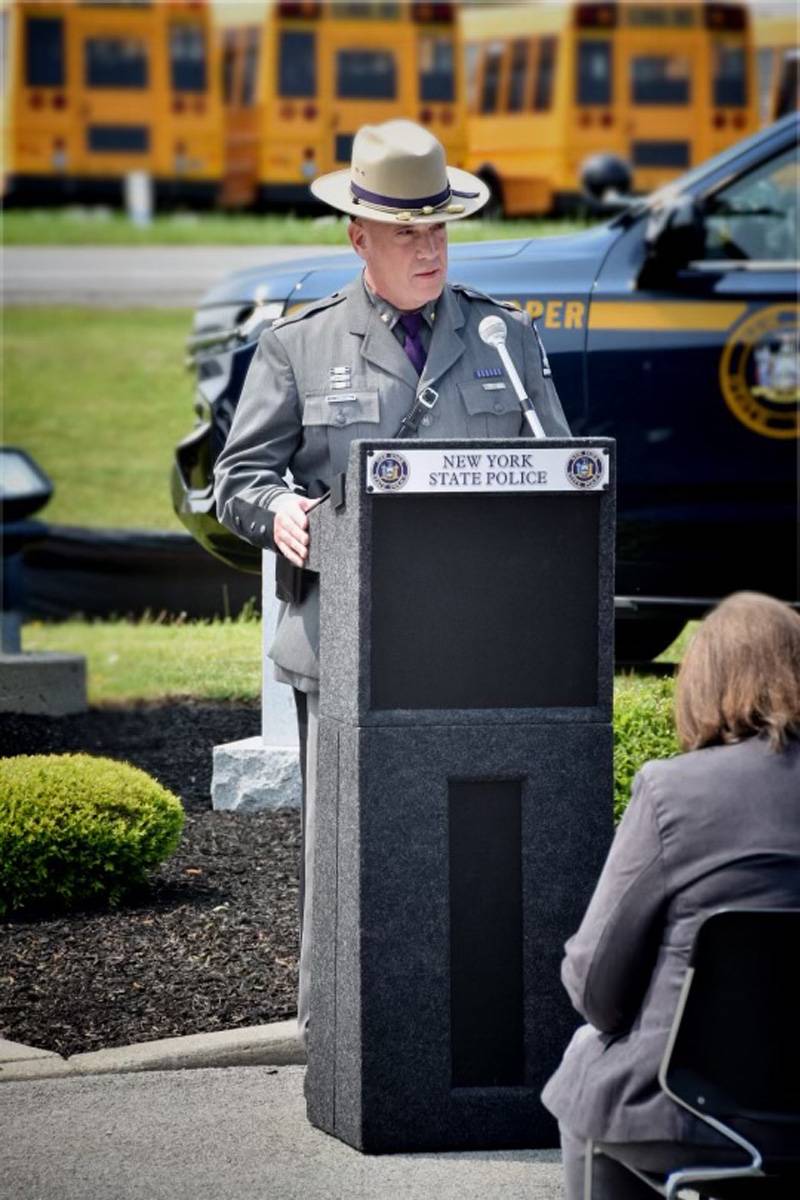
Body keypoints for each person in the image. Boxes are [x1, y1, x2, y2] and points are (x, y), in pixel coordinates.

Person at [213, 119, 571, 1044]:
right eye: (406, 232)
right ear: (358, 237)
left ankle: (470, 1037)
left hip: (483, 645)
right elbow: (236, 478)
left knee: (478, 851)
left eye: (439, 230)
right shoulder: (299, 347)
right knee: (350, 859)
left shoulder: (503, 339)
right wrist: (280, 514)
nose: (427, 249)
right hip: (348, 642)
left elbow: (557, 469)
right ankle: (334, 1036)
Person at [541, 590, 800, 1198]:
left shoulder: (673, 793)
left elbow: (594, 989)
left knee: (589, 1066)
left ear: (702, 683)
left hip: (691, 1113)